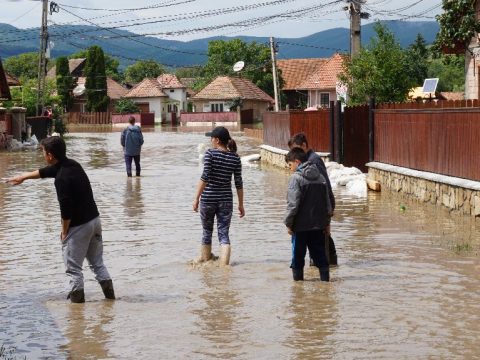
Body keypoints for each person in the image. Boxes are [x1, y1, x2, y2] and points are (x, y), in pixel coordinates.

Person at [6, 136, 115, 303]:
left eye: (43, 152)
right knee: (98, 263)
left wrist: (64, 232)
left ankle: (77, 315)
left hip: (79, 226)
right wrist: (24, 176)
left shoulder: (61, 179)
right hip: (95, 221)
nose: (42, 155)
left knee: (73, 269)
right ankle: (111, 301)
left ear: (50, 155)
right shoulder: (73, 165)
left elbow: (66, 211)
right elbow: (48, 171)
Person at [193, 126, 245, 265]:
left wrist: (196, 198)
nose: (210, 141)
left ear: (216, 140)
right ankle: (224, 266)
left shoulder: (210, 154)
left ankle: (206, 260)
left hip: (208, 199)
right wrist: (241, 204)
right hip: (226, 200)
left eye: (211, 138)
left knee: (207, 231)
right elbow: (239, 184)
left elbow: (205, 178)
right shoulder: (235, 158)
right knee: (223, 234)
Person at [288, 133, 338, 266]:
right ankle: (326, 266)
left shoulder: (313, 160)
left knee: (323, 238)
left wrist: (329, 208)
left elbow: (324, 184)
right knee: (320, 238)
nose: (295, 153)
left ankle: (329, 264)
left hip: (319, 208)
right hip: (316, 208)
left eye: (296, 149)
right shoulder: (307, 161)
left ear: (304, 145)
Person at [284, 147, 331, 282]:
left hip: (300, 227)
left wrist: (288, 223)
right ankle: (325, 284)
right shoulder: (320, 177)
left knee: (297, 258)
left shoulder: (296, 179)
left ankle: (298, 291)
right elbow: (327, 202)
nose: (290, 168)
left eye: (290, 164)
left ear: (297, 162)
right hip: (318, 226)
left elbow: (292, 205)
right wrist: (327, 223)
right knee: (321, 257)